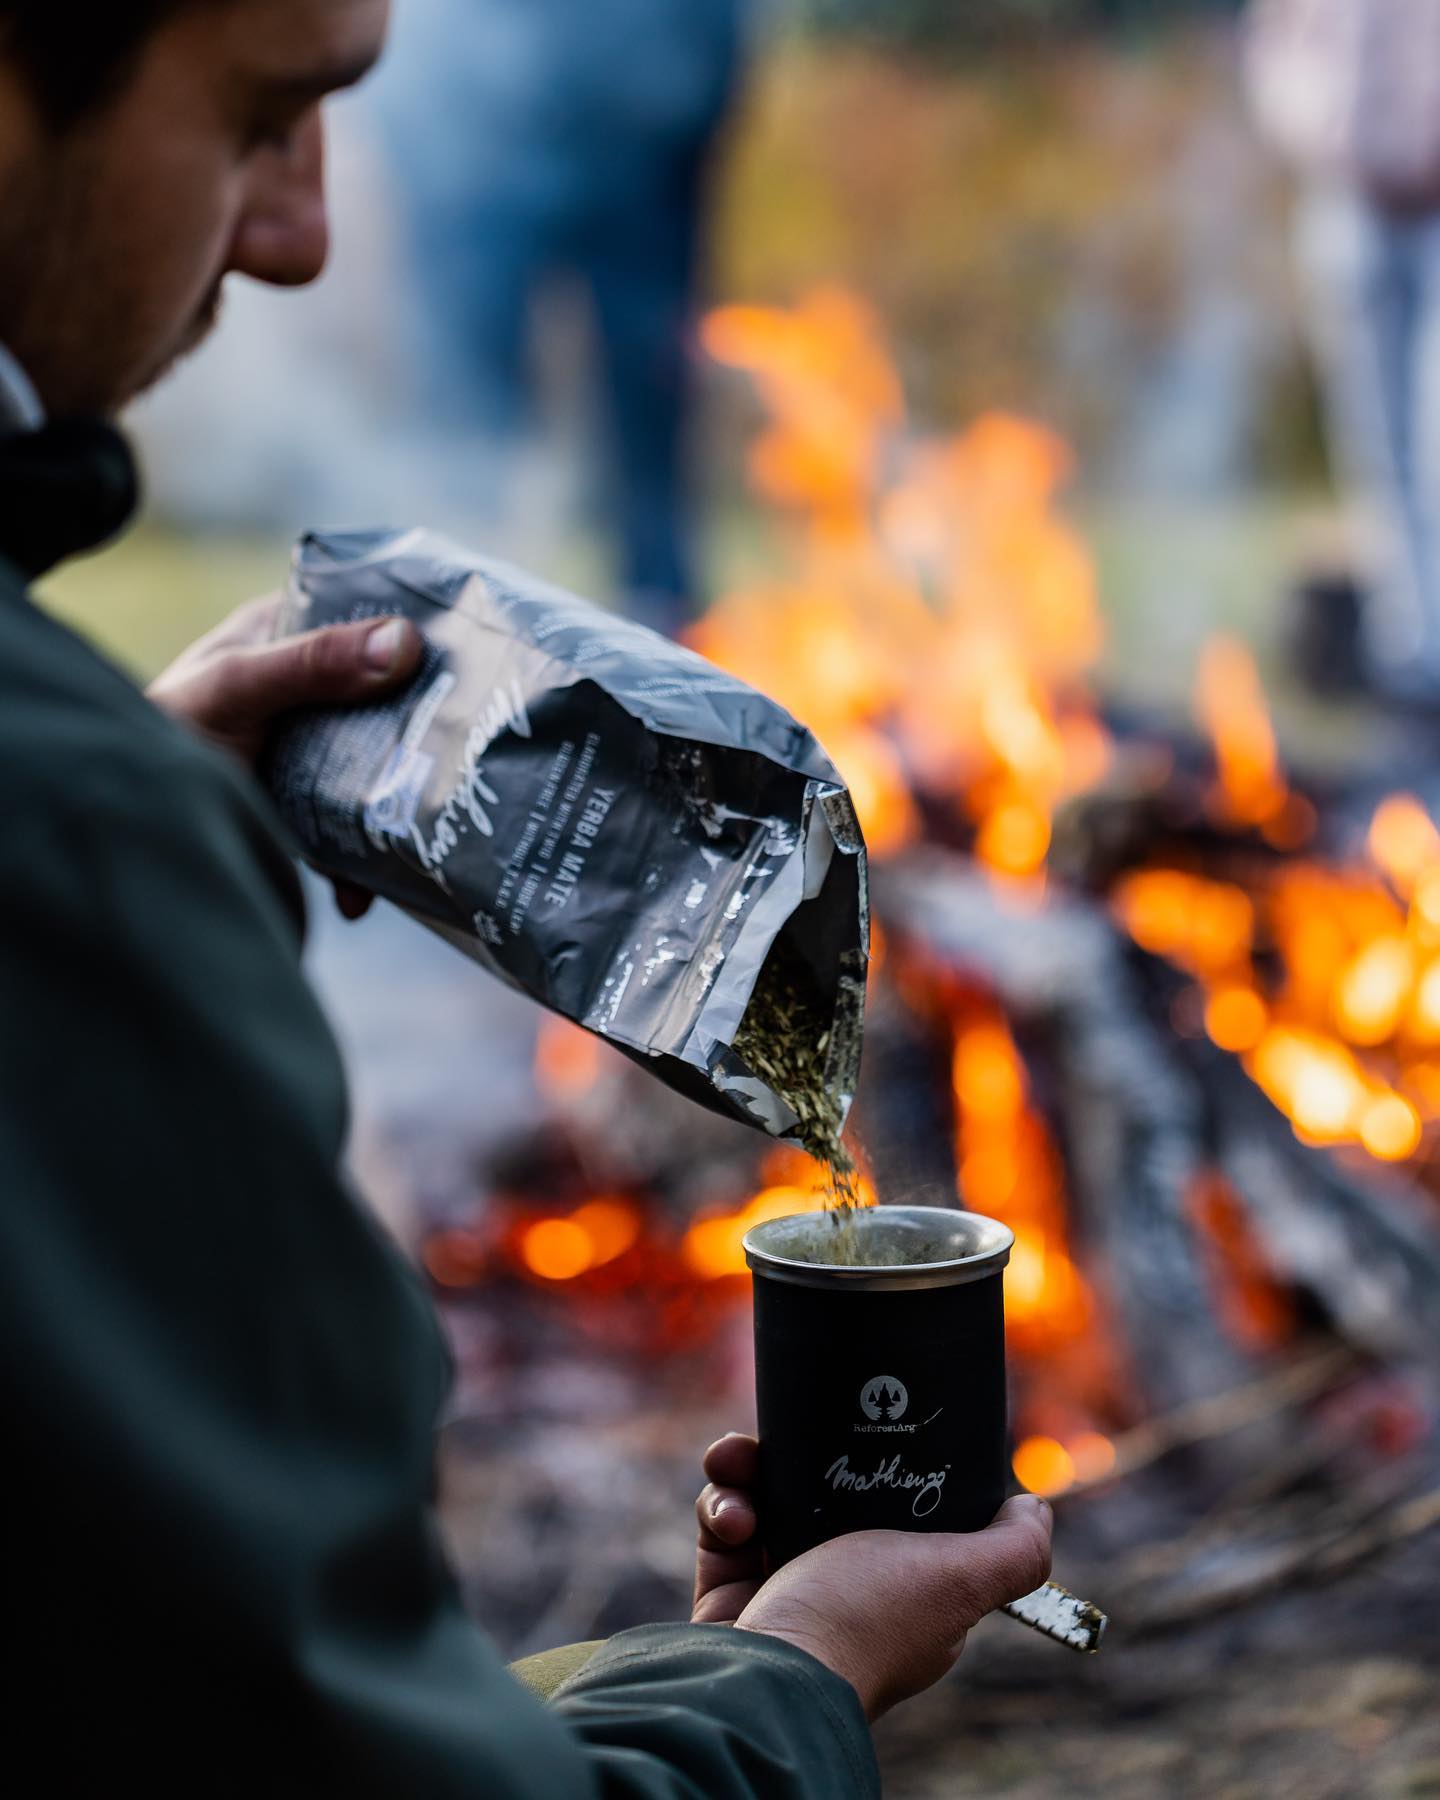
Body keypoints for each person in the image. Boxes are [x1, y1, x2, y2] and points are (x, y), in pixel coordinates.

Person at [0, 3, 1052, 1794]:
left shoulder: (73, 816)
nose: (301, 231)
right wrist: (789, 1679)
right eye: (265, 115)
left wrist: (126, 819)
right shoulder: (67, 840)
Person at [375, 0, 747, 632]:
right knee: (471, 398)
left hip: (643, 148)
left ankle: (665, 612)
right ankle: (464, 616)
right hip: (484, 155)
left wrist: (693, 117)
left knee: (649, 391)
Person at [1244, 0, 1440, 697]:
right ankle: (1412, 661)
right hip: (1349, 202)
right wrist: (1324, 130)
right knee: (1375, 445)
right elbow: (1278, 48)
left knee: (1434, 438)